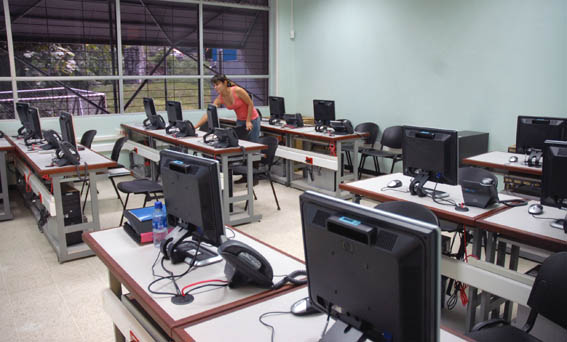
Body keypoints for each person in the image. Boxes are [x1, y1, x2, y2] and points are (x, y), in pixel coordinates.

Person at [194, 74, 261, 142]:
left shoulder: (237, 90)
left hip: (252, 119)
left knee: (253, 142)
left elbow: (250, 104)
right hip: (240, 120)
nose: (215, 87)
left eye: (217, 84)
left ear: (225, 83)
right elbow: (209, 113)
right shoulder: (220, 98)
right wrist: (195, 127)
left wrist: (248, 121)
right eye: (214, 85)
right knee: (241, 142)